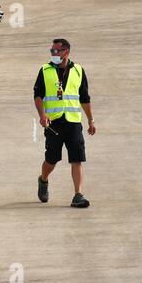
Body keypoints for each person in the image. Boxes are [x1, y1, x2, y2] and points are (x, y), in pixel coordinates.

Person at [34, 38, 96, 209]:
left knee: (77, 159)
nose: (53, 54)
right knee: (52, 159)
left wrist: (91, 120)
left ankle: (78, 194)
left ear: (66, 52)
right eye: (51, 51)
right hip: (53, 123)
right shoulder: (45, 70)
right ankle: (43, 180)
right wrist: (42, 115)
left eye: (56, 51)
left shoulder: (78, 71)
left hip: (73, 122)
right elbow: (38, 96)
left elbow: (84, 98)